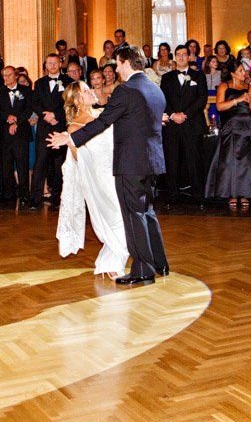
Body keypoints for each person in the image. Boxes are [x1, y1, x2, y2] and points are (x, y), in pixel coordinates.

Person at [50, 46, 169, 286]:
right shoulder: (155, 90)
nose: (115, 68)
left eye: (117, 63)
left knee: (134, 215)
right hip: (151, 162)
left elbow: (104, 121)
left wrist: (70, 138)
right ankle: (160, 263)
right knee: (147, 211)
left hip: (131, 164)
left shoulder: (126, 90)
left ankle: (143, 270)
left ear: (126, 63)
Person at [56, 81, 129, 277]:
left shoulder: (101, 115)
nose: (92, 91)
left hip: (116, 173)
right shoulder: (74, 128)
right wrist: (68, 143)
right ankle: (113, 263)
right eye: (86, 90)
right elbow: (78, 160)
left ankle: (110, 261)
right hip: (98, 180)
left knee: (122, 216)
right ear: (78, 100)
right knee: (113, 218)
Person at [205, 65, 251, 210]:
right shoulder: (224, 86)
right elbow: (219, 107)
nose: (244, 73)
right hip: (231, 127)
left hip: (246, 126)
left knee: (246, 162)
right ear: (232, 73)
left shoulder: (248, 87)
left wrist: (250, 101)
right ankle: (231, 194)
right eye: (240, 71)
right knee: (230, 161)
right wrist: (238, 100)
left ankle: (244, 193)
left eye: (244, 71)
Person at [160, 44, 208, 204]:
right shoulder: (167, 78)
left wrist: (185, 115)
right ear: (175, 57)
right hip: (173, 126)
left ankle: (198, 196)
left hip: (192, 124)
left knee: (194, 160)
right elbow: (163, 100)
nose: (181, 57)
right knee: (172, 160)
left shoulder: (199, 76)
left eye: (184, 54)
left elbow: (202, 99)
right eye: (178, 54)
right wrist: (173, 115)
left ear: (189, 57)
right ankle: (172, 196)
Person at [29, 53, 73, 209]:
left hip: (61, 128)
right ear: (45, 65)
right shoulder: (39, 82)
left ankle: (58, 199)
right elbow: (34, 103)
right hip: (44, 127)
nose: (52, 65)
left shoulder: (69, 82)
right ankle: (35, 199)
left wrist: (56, 115)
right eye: (49, 63)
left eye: (55, 63)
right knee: (40, 163)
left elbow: (71, 104)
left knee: (59, 164)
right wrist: (45, 115)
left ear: (60, 64)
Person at [0, 66, 32, 203]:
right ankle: (8, 196)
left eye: (9, 75)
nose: (7, 78)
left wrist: (17, 122)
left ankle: (24, 195)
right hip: (4, 135)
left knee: (23, 166)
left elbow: (29, 109)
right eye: (4, 75)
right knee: (6, 166)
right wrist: (7, 118)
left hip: (21, 133)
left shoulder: (26, 91)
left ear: (16, 75)